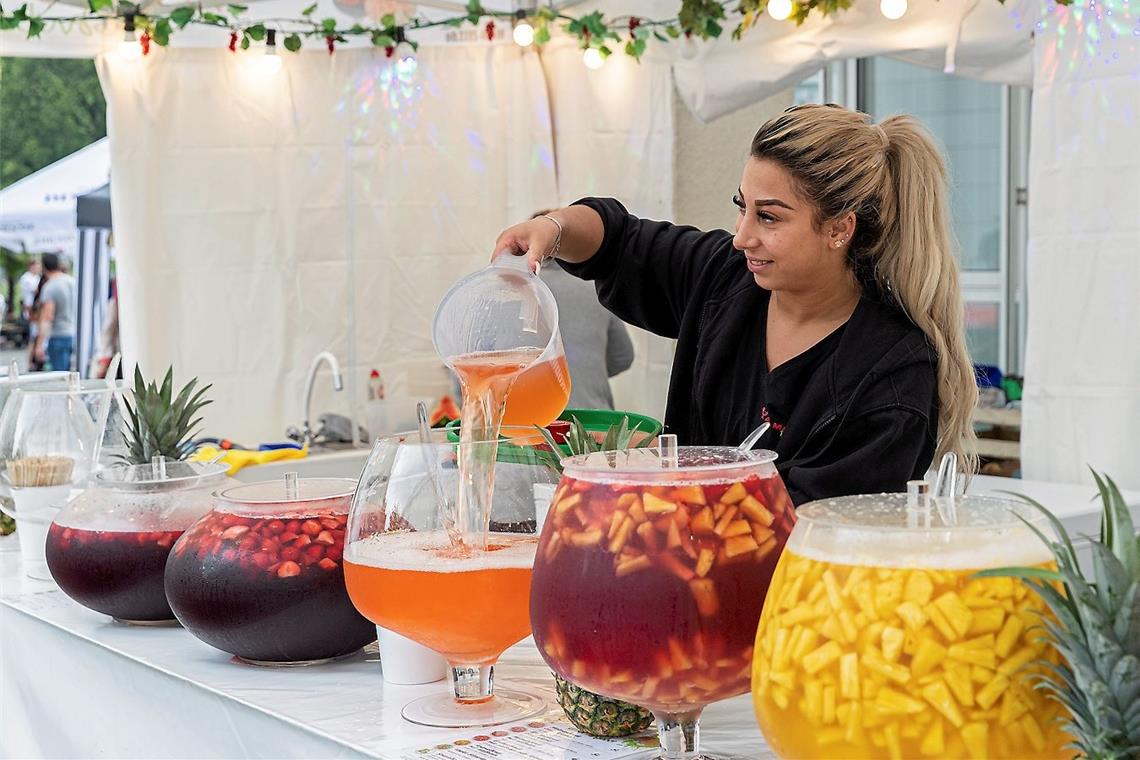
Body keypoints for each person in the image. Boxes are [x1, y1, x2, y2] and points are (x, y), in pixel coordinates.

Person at [492, 104, 977, 504]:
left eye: (769, 217)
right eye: (742, 206)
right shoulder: (725, 279)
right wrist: (553, 231)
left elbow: (809, 532)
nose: (743, 237)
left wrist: (652, 477)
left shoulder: (890, 372)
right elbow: (617, 240)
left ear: (839, 228)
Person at [530, 210, 635, 410]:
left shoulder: (514, 292)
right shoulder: (596, 288)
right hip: (595, 421)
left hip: (528, 426)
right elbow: (623, 357)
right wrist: (586, 371)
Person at [32, 253, 77, 372]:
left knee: (61, 378)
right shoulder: (72, 282)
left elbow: (48, 317)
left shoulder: (50, 287)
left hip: (58, 336)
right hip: (74, 334)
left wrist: (39, 344)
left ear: (44, 267)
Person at [18, 258, 41, 348]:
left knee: (37, 330)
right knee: (33, 330)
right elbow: (36, 290)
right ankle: (32, 348)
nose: (38, 268)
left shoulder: (37, 277)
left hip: (37, 307)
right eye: (36, 266)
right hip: (30, 307)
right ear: (31, 267)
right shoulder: (26, 278)